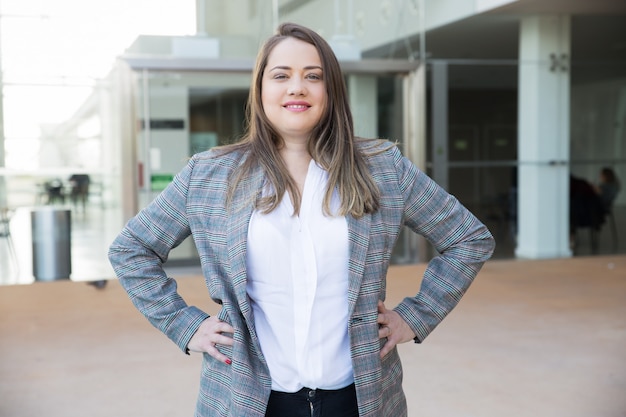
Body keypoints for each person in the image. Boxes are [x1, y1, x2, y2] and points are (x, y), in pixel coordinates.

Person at [108, 22, 495, 417]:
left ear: (332, 91)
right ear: (260, 90)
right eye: (281, 76)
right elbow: (131, 249)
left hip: (359, 398)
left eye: (313, 76)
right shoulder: (209, 173)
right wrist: (184, 324)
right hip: (248, 399)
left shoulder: (383, 168)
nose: (297, 87)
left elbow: (468, 238)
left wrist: (414, 317)